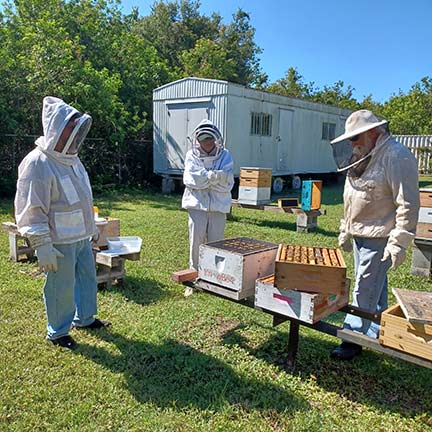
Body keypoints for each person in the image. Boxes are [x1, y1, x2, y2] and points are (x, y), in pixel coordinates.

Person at [15, 96, 110, 350]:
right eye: (71, 126)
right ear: (57, 127)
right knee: (61, 287)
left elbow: (82, 198)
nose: (76, 133)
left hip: (80, 237)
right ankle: (57, 332)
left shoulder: (72, 159)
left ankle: (85, 318)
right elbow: (31, 207)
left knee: (87, 279)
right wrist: (41, 243)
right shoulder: (38, 163)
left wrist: (91, 230)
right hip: (58, 240)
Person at [329, 109, 419, 360]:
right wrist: (346, 228)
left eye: (355, 138)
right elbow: (353, 197)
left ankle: (352, 339)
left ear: (372, 132)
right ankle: (376, 327)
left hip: (381, 236)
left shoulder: (396, 156)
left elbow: (408, 204)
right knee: (372, 287)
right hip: (361, 232)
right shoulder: (363, 154)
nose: (351, 144)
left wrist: (399, 242)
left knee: (363, 288)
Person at [182, 119, 234, 270]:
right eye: (203, 139)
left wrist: (207, 178)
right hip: (196, 204)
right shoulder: (191, 155)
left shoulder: (225, 155)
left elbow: (227, 181)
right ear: (197, 139)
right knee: (196, 241)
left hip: (219, 205)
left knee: (217, 242)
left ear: (216, 138)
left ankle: (214, 274)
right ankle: (194, 272)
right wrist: (215, 177)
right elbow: (193, 179)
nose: (207, 142)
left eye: (210, 138)